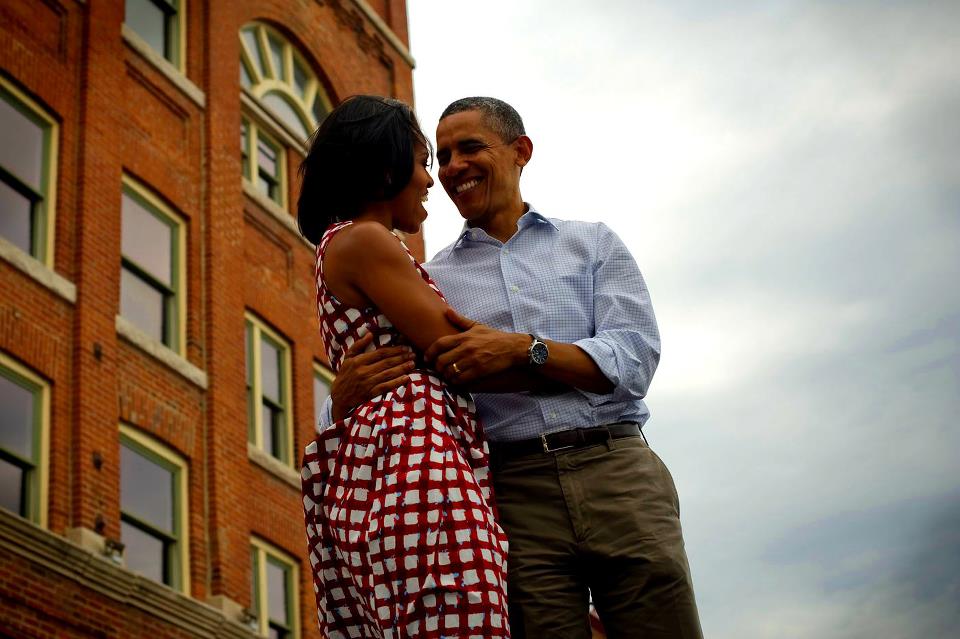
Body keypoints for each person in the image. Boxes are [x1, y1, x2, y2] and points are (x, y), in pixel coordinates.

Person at [324, 97, 704, 638]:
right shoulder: (430, 280)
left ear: (520, 151)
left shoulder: (591, 243)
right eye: (441, 156)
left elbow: (634, 357)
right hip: (511, 492)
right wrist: (336, 401)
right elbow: (392, 381)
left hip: (617, 470)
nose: (452, 167)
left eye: (470, 148)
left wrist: (528, 349)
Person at [297, 95, 522, 639]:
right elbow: (457, 349)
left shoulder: (347, 245)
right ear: (384, 170)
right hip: (416, 466)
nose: (429, 180)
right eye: (423, 162)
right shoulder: (366, 239)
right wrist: (562, 363)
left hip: (385, 467)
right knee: (460, 613)